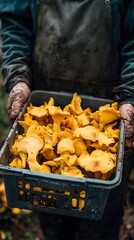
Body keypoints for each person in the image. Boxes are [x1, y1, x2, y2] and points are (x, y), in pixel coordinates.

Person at [0, 1, 134, 239]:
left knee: (101, 216)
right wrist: (18, 76)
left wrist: (130, 97)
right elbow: (15, 23)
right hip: (42, 100)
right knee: (49, 209)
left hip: (110, 103)